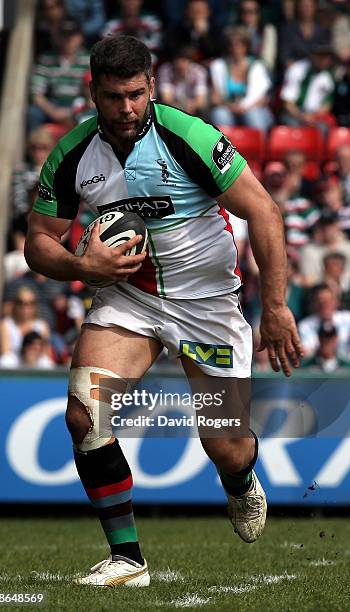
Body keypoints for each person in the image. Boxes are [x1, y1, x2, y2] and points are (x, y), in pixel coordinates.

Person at [24, 35, 302, 588]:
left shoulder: (190, 136)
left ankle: (241, 478)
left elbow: (265, 213)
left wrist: (275, 307)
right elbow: (38, 242)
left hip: (209, 307)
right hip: (129, 298)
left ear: (151, 86)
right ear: (93, 93)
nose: (126, 108)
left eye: (135, 94)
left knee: (225, 444)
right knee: (85, 414)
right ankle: (128, 559)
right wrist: (86, 267)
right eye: (113, 97)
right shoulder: (72, 153)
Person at [209, 26, 274, 133]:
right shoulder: (218, 66)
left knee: (253, 117)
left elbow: (262, 99)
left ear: (246, 46)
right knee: (220, 115)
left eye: (239, 44)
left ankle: (258, 147)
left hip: (252, 108)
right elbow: (215, 98)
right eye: (231, 44)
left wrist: (244, 108)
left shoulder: (258, 66)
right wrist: (232, 107)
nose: (235, 48)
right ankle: (224, 148)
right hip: (228, 108)